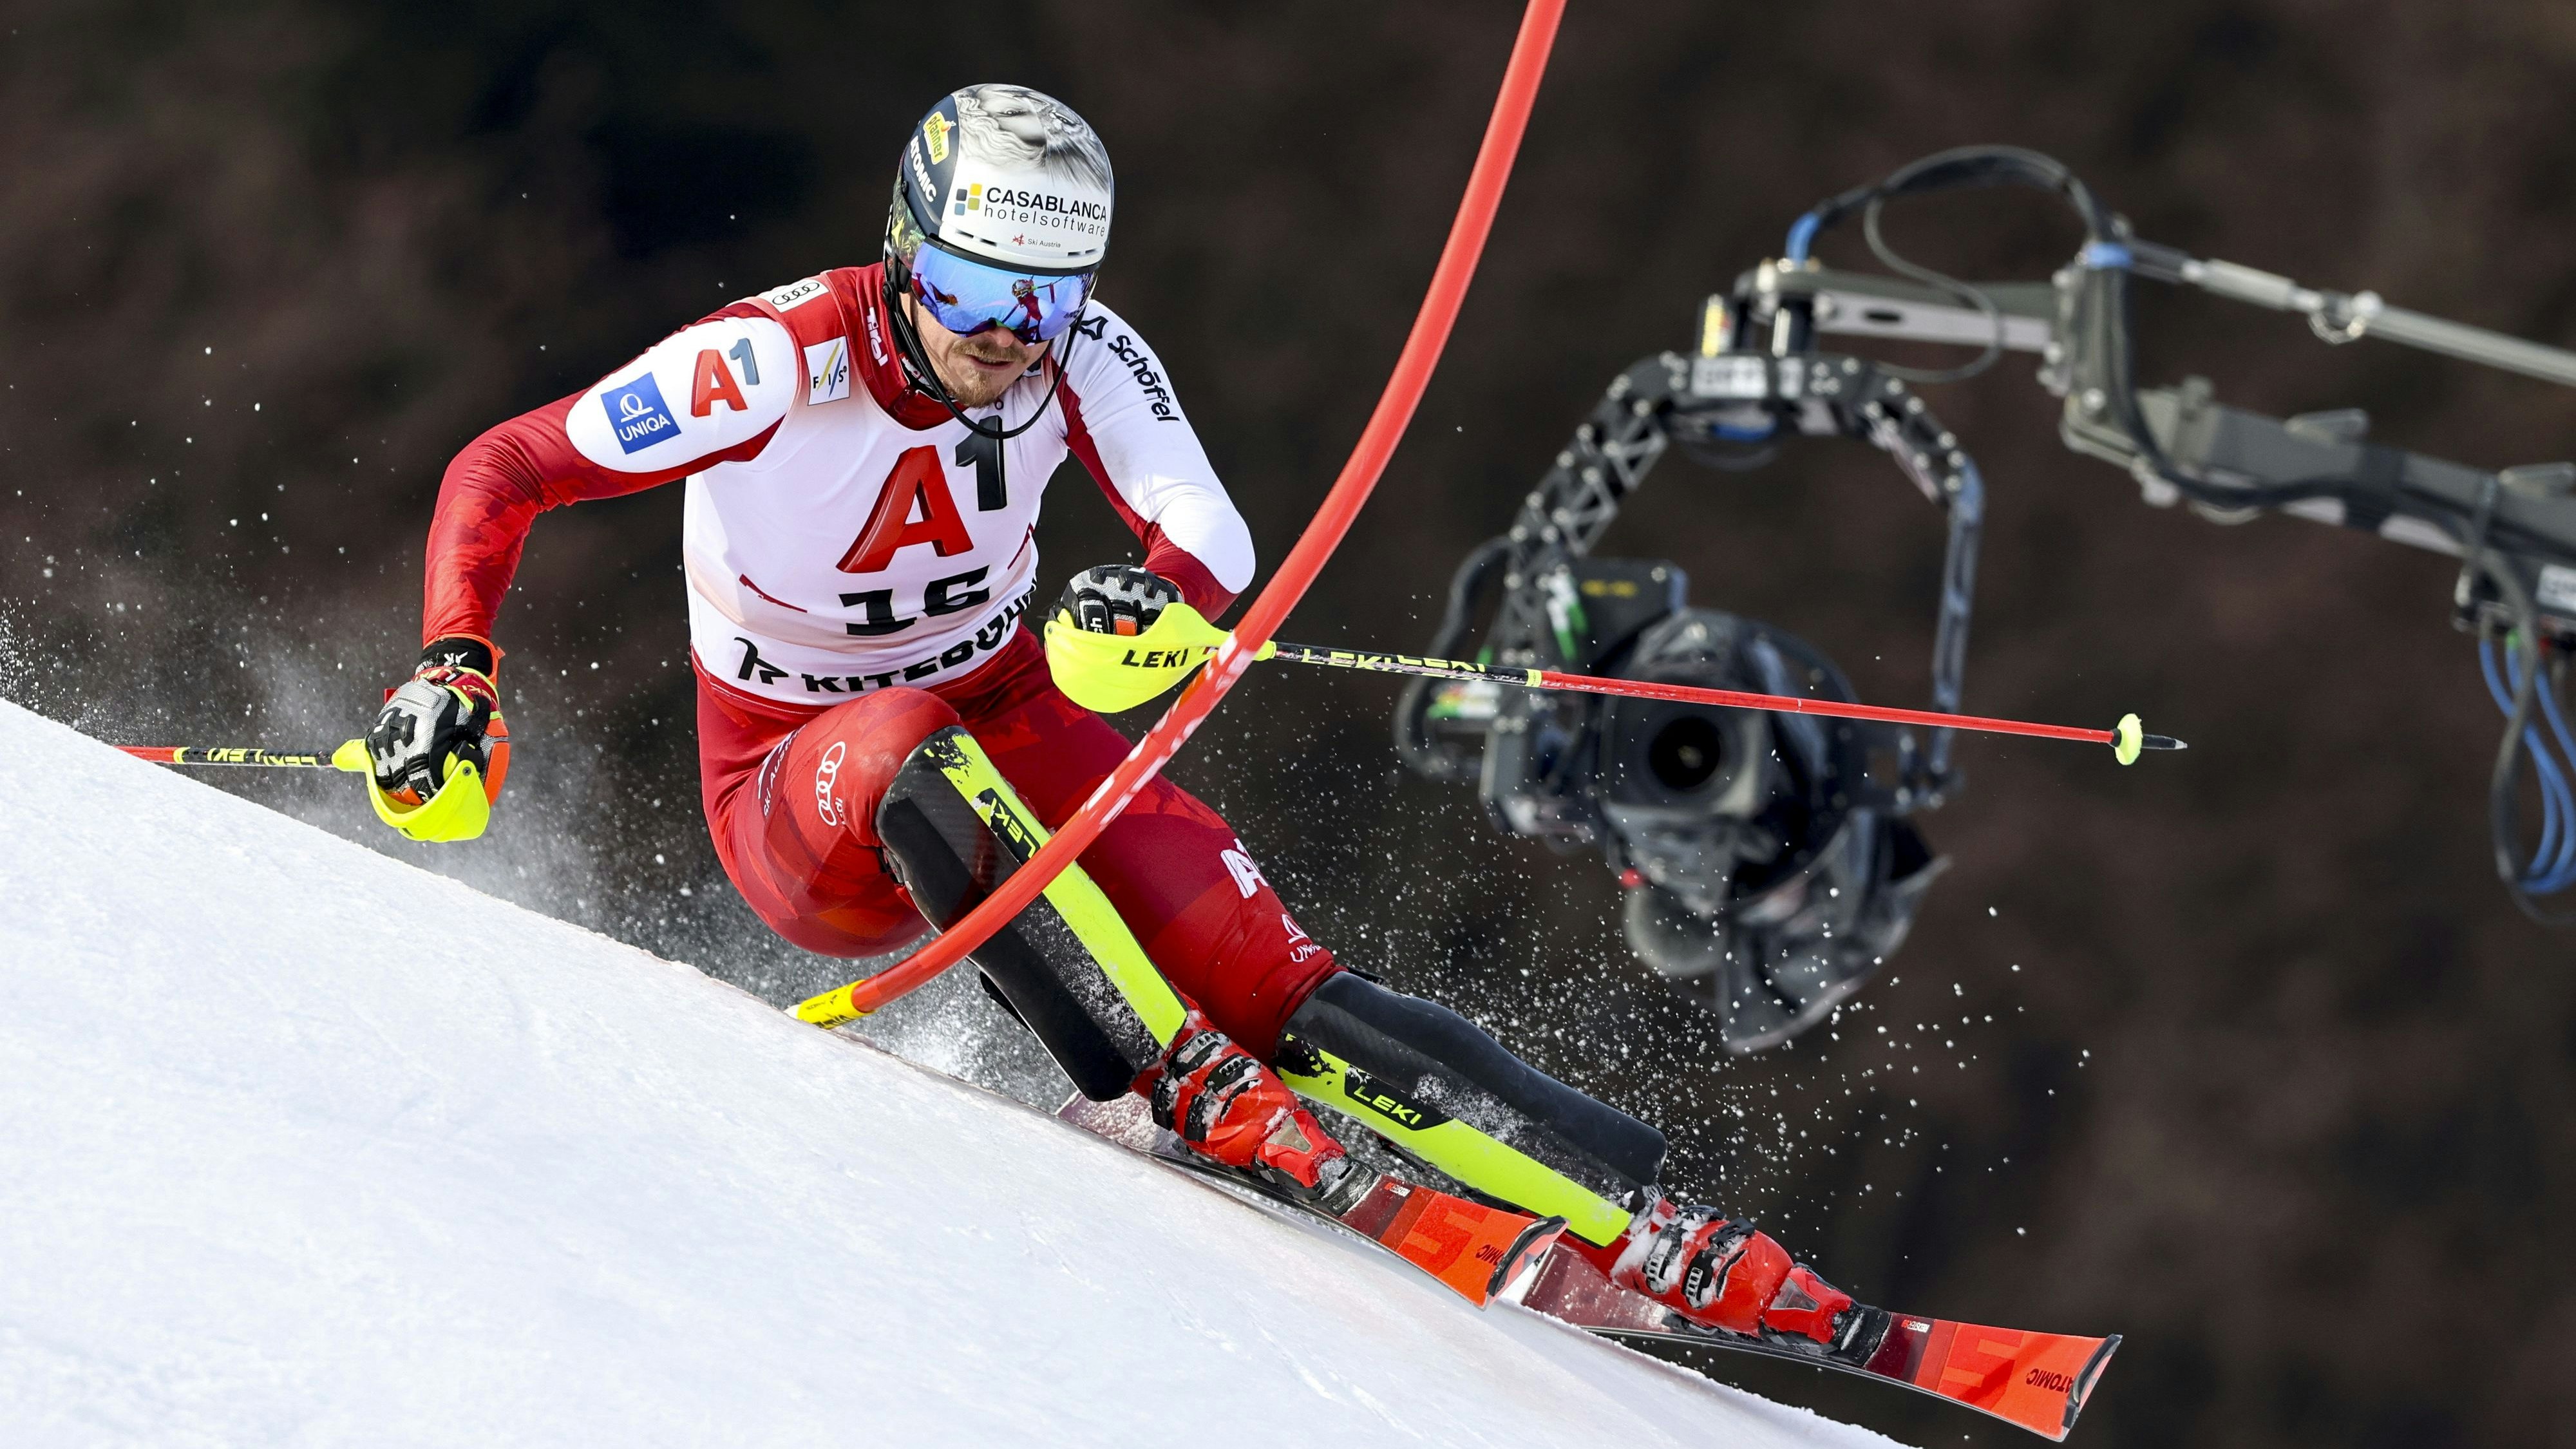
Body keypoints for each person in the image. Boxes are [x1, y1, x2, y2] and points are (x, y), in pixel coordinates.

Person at [366, 82, 1857, 1347]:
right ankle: (1142, 1088)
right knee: (902, 746)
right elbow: (504, 467)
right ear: (904, 257)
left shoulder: (1075, 358)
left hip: (1010, 709)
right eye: (967, 293)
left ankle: (1638, 1221)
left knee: (1266, 972)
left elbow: (1206, 534)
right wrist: (456, 664)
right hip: (797, 784)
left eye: (1043, 300)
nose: (1005, 338)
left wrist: (1154, 603)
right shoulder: (772, 362)